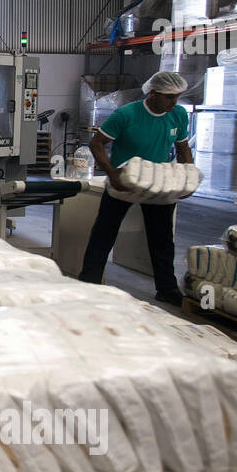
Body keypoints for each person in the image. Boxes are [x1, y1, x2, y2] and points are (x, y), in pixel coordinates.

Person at [79, 70, 193, 306]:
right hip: (126, 180)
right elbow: (97, 143)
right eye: (169, 97)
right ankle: (89, 281)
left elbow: (182, 149)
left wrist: (187, 178)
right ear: (153, 93)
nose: (174, 102)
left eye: (177, 97)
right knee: (104, 232)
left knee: (162, 238)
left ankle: (167, 288)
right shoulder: (126, 114)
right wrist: (112, 173)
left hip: (158, 182)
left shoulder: (179, 115)